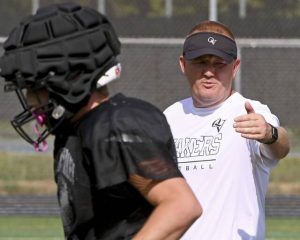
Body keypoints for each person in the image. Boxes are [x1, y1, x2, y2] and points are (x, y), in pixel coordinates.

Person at [0, 3, 202, 239]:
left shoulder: (116, 124)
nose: (29, 100)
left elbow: (181, 206)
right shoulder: (74, 131)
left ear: (66, 81)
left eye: (35, 89)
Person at [163, 20, 290, 240]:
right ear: (183, 64)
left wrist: (271, 134)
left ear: (235, 66)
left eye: (219, 63)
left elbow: (282, 147)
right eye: (200, 62)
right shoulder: (169, 117)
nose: (209, 72)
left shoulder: (250, 111)